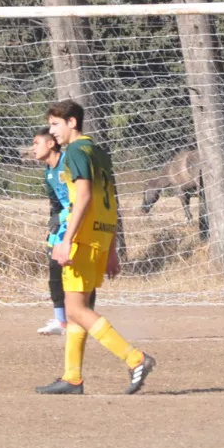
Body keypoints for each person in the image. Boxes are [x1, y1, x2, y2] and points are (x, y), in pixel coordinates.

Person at [36, 99, 155, 395]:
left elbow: (84, 197)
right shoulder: (99, 152)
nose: (53, 131)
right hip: (99, 238)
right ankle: (72, 377)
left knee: (74, 308)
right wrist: (112, 248)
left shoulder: (75, 151)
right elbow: (111, 201)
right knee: (81, 309)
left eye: (55, 124)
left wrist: (66, 240)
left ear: (72, 123)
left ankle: (135, 358)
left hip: (82, 239)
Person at [32, 129, 68, 335]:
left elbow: (81, 198)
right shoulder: (48, 172)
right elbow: (55, 204)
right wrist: (52, 227)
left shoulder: (69, 164)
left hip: (78, 222)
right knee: (53, 268)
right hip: (63, 223)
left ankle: (81, 315)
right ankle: (61, 320)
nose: (33, 148)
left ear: (51, 144)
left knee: (72, 273)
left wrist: (63, 218)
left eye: (36, 143)